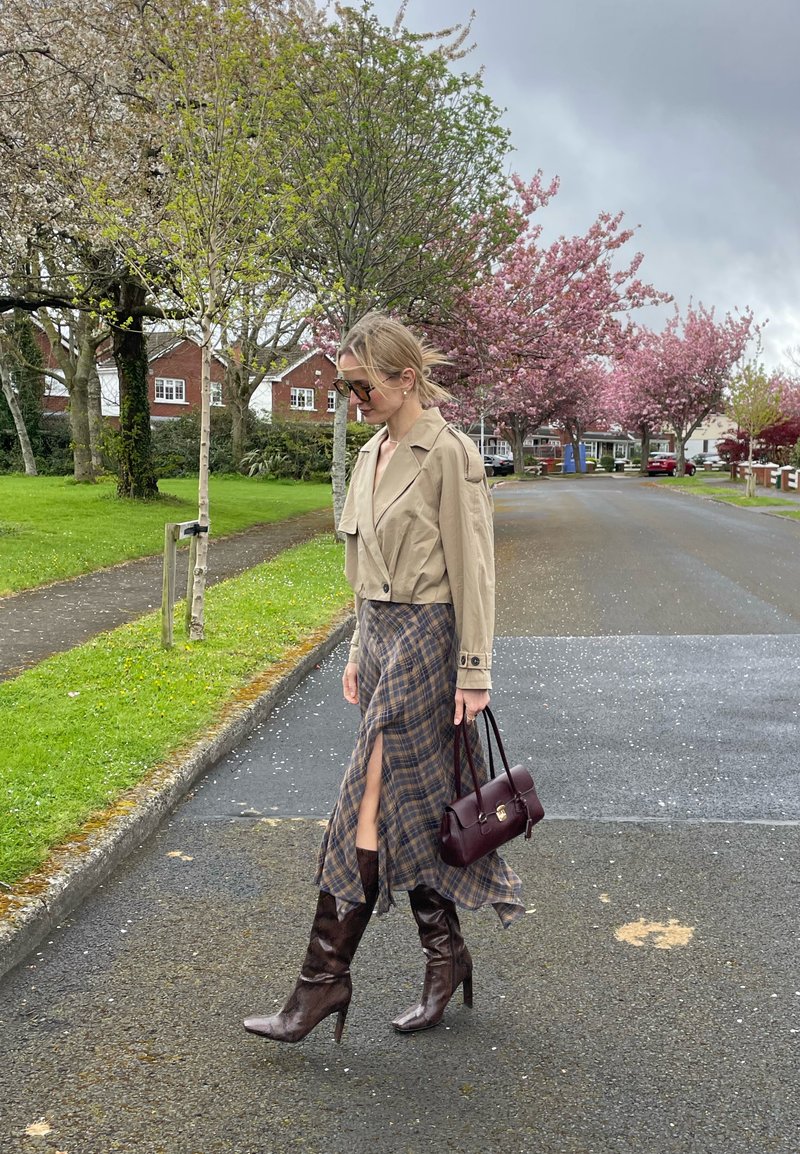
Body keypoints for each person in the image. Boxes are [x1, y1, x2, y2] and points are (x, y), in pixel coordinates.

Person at [243, 313, 524, 1045]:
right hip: (382, 641)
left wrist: (475, 670)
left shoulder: (448, 454)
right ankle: (445, 956)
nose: (350, 399)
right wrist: (355, 650)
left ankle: (320, 984)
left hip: (430, 639)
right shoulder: (372, 453)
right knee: (414, 802)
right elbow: (362, 573)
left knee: (363, 803)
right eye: (342, 386)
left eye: (361, 385)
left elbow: (476, 571)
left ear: (405, 379)